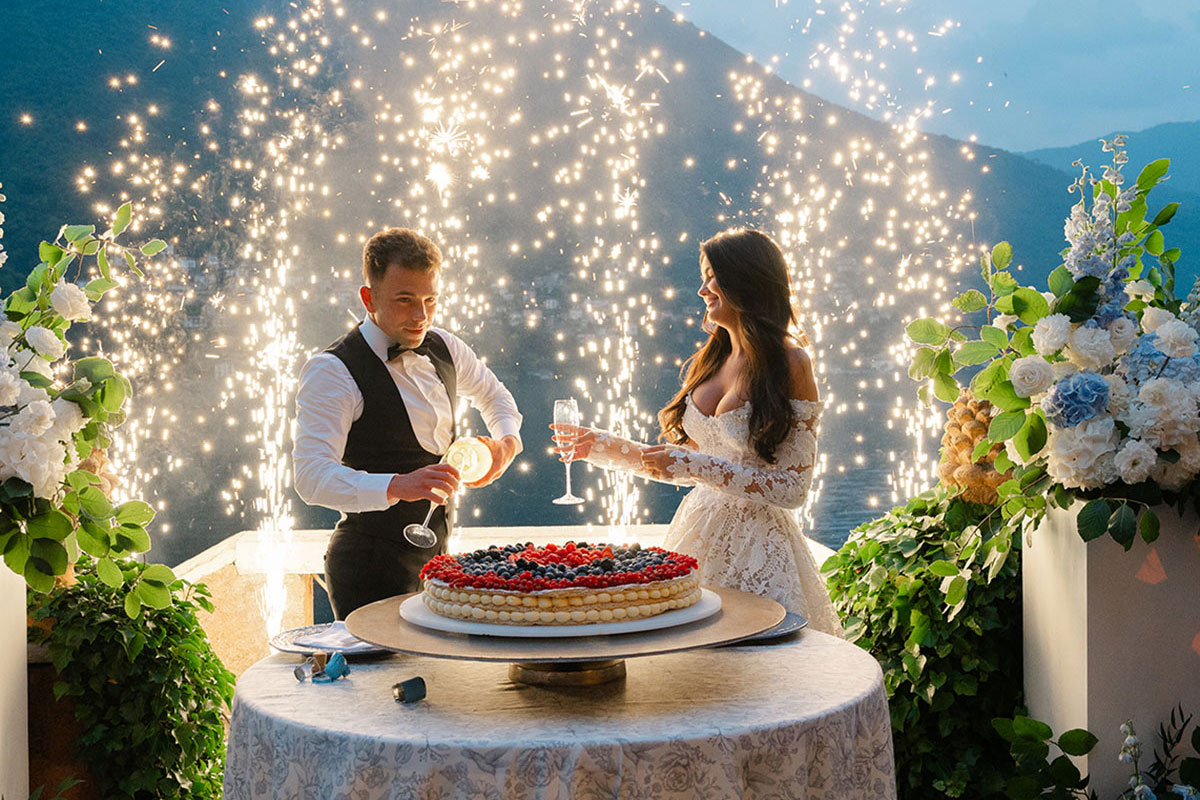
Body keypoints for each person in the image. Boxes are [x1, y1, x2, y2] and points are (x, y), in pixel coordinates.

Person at [553, 228, 842, 635]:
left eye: (712, 276)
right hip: (699, 529)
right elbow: (686, 463)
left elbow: (792, 490)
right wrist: (598, 445)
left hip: (759, 547)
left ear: (746, 279)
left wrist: (691, 462)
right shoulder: (711, 359)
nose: (703, 289)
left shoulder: (791, 362)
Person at [293, 227, 523, 619]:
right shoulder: (332, 370)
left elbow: (496, 397)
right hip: (366, 568)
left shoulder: (446, 346)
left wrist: (506, 444)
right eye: (405, 300)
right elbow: (310, 477)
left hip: (436, 565)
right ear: (369, 299)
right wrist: (398, 486)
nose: (421, 316)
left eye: (430, 300)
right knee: (379, 680)